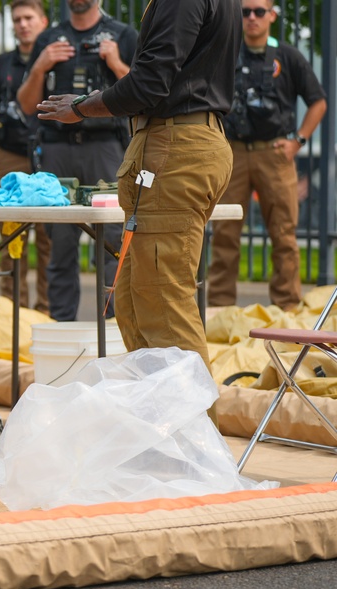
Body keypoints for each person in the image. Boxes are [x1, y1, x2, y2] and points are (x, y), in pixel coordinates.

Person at [36, 0, 241, 424]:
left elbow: (148, 84)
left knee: (163, 301)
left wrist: (82, 107)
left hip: (177, 145)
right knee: (133, 300)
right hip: (176, 143)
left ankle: (197, 440)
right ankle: (163, 427)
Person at [16, 0, 137, 321]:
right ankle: (62, 327)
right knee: (60, 246)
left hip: (105, 147)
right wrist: (40, 66)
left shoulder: (123, 35)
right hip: (58, 149)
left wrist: (116, 64)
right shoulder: (50, 38)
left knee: (113, 243)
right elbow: (27, 105)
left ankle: (114, 330)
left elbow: (144, 94)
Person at [207, 0, 327, 312]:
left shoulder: (288, 56)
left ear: (272, 15)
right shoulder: (225, 53)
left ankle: (286, 307)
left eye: (259, 11)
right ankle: (220, 308)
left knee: (284, 234)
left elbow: (318, 102)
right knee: (224, 233)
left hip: (275, 154)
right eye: (245, 12)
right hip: (232, 154)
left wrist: (298, 141)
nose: (252, 18)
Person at [0, 0, 51, 313]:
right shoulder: (1, 63)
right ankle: (12, 308)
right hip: (9, 154)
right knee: (10, 235)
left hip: (49, 154)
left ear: (43, 21)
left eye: (28, 17)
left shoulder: (56, 56)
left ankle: (46, 309)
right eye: (17, 19)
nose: (22, 24)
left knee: (50, 238)